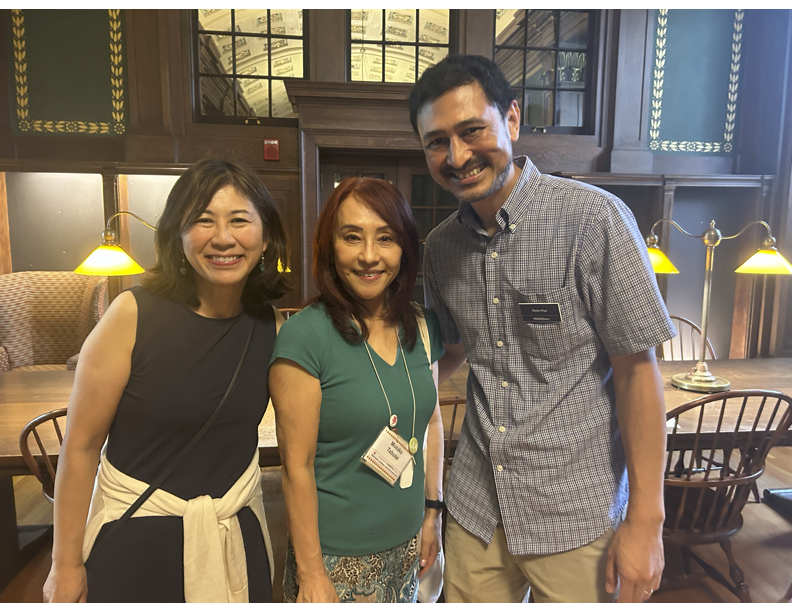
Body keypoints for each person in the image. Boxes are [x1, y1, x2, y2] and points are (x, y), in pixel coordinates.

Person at [408, 54, 677, 604]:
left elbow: (636, 372)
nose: (457, 156)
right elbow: (450, 351)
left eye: (471, 130)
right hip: (477, 510)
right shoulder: (441, 248)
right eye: (437, 142)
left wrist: (647, 520)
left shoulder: (595, 219)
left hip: (577, 513)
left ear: (511, 119)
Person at [42, 159, 291, 603]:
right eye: (203, 220)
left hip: (234, 536)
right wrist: (65, 564)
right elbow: (80, 447)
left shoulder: (270, 326)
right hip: (137, 539)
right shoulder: (131, 315)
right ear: (177, 234)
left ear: (266, 235)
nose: (223, 238)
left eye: (239, 220)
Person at [268, 177, 444, 603]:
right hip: (335, 560)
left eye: (386, 238)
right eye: (352, 237)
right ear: (330, 246)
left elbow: (433, 423)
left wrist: (432, 514)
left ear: (404, 249)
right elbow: (296, 466)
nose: (369, 255)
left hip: (407, 548)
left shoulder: (421, 327)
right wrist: (311, 572)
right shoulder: (305, 336)